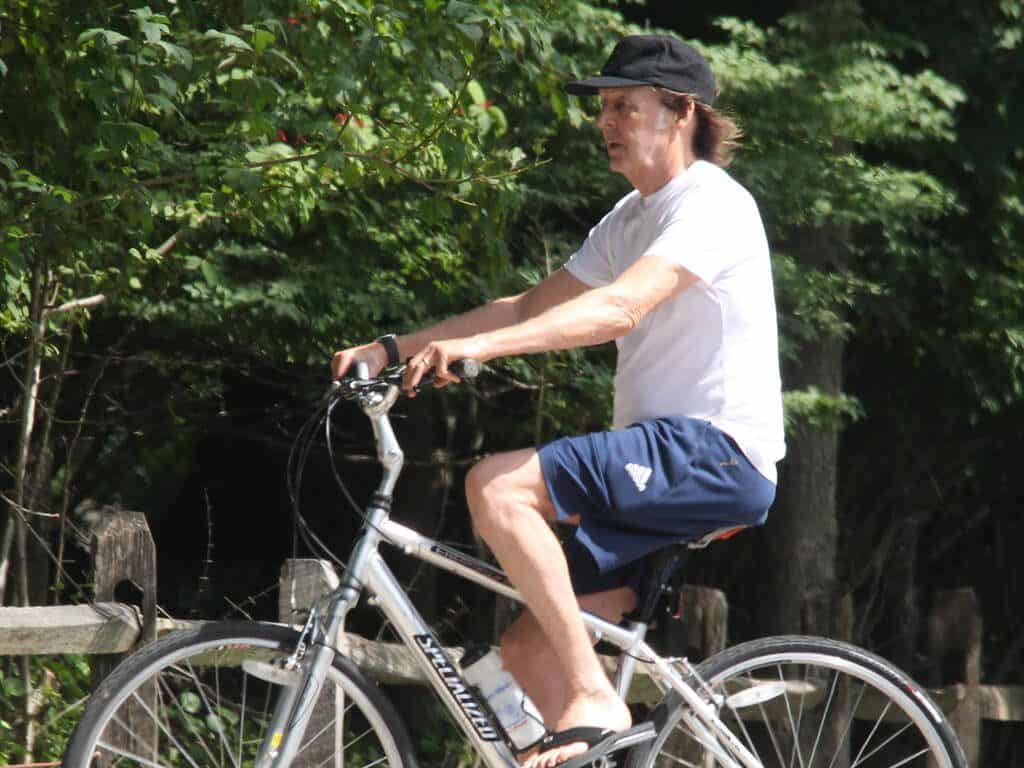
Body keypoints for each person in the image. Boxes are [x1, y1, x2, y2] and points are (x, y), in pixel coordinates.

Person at [331, 34, 785, 768]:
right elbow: (524, 307)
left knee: (499, 487)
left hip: (711, 450)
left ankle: (594, 696)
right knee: (516, 661)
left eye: (623, 106)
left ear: (680, 113)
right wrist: (396, 348)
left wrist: (477, 353)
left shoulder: (711, 205)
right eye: (602, 107)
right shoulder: (630, 217)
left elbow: (619, 311)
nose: (605, 121)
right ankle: (583, 728)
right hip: (662, 458)